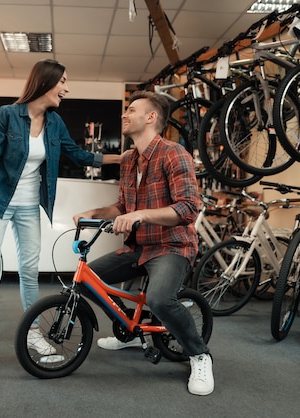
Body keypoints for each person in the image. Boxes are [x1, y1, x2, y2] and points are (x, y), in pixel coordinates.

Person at [0, 59, 121, 369]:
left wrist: (123, 156)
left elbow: (78, 155)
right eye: (62, 81)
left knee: (28, 270)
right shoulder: (7, 116)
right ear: (46, 82)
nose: (66, 88)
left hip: (28, 207)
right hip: (1, 203)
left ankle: (33, 334)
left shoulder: (54, 123)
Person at [72, 90, 213, 396]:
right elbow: (123, 207)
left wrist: (141, 215)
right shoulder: (129, 160)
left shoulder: (174, 154)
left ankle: (199, 355)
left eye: (132, 110)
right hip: (138, 248)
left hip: (172, 246)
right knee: (86, 282)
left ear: (151, 118)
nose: (125, 115)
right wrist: (94, 213)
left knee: (160, 299)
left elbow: (188, 208)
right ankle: (130, 330)